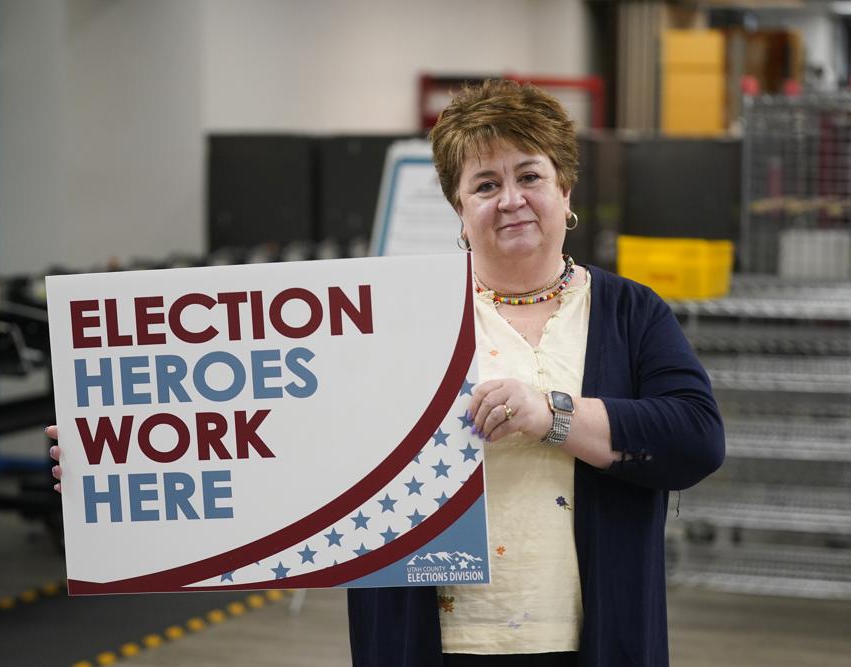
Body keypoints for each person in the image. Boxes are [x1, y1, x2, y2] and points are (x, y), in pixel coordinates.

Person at [49, 79, 725, 667]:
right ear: (460, 210)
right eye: (484, 184)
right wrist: (121, 459)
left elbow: (695, 437)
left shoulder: (629, 313)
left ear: (565, 189)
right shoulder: (393, 317)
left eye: (530, 176)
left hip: (591, 637)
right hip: (431, 638)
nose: (511, 199)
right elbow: (287, 440)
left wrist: (552, 414)